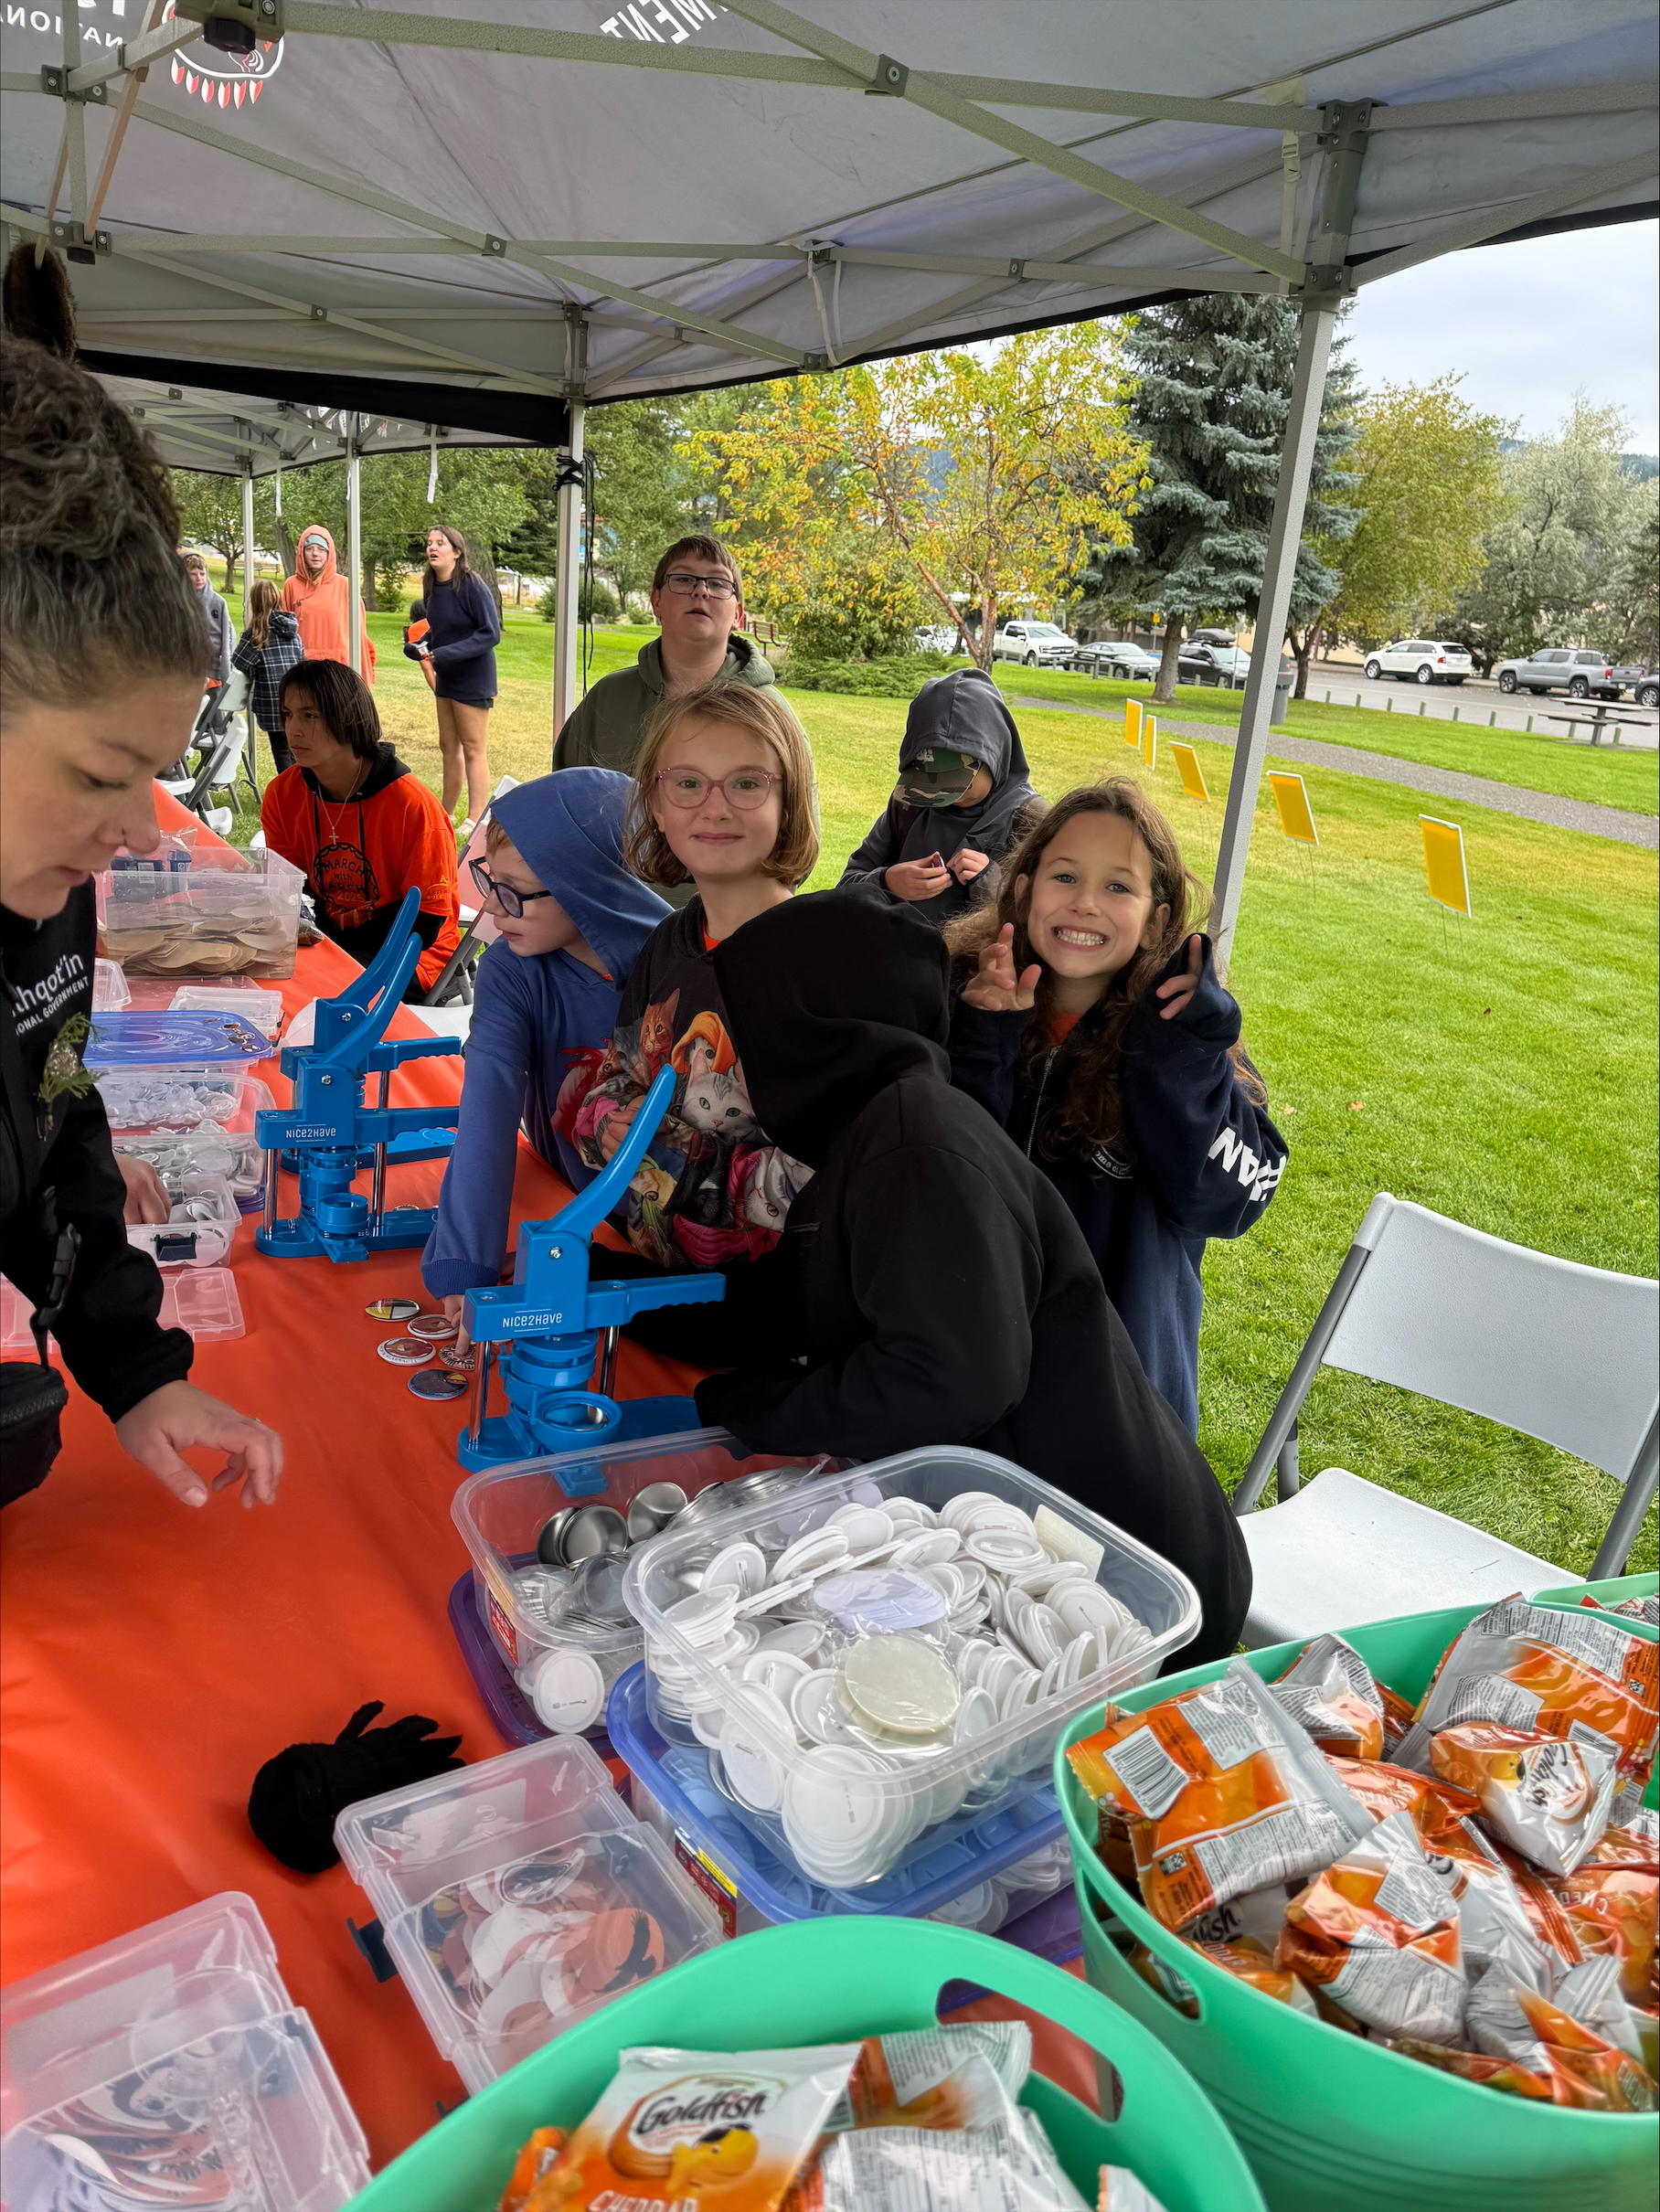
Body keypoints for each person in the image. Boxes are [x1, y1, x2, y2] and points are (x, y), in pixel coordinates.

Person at [691, 890, 1251, 1664]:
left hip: (1129, 1588)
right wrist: (632, 1302)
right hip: (1037, 1555)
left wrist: (757, 1411)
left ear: (812, 1027)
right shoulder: (877, 1130)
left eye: (753, 1027)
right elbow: (793, 1302)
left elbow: (951, 1378)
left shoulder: (914, 1145)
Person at [0, 303, 282, 1511]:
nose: (138, 833)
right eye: (102, 775)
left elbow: (58, 1119)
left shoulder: (38, 885)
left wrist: (134, 1370)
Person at [945, 781, 1287, 1434]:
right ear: (1021, 889)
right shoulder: (957, 1000)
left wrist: (1182, 1062)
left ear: (1158, 922)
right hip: (967, 1371)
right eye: (1065, 876)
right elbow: (944, 1182)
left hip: (1113, 1406)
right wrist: (984, 1042)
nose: (1084, 903)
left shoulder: (1187, 1044)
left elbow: (1229, 1202)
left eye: (1118, 887)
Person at [570, 682, 817, 1275]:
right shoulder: (666, 946)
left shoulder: (819, 963)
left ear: (787, 801)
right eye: (687, 783)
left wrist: (658, 1156)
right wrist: (607, 1130)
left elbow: (820, 1174)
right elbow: (613, 1083)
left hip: (762, 1313)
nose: (715, 806)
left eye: (746, 782)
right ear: (656, 804)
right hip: (647, 1270)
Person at [420, 769, 670, 1340]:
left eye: (514, 894)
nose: (490, 913)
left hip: (664, 1228)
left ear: (586, 887)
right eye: (489, 882)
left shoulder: (679, 962)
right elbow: (487, 1107)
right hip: (567, 1191)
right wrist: (465, 1265)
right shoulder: (513, 966)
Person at [260, 659, 461, 999]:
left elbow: (424, 926)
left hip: (416, 958)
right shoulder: (282, 794)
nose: (292, 730)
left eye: (310, 716)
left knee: (301, 985)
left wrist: (329, 948)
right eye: (288, 714)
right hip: (335, 941)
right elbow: (288, 889)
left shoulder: (411, 806)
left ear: (347, 717)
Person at [552, 536, 793, 778]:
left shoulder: (768, 712)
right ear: (656, 602)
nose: (701, 591)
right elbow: (563, 796)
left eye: (718, 583)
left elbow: (799, 811)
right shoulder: (607, 699)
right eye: (683, 579)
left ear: (737, 615)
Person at [840, 666, 1042, 927]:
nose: (946, 798)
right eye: (932, 783)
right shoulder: (910, 802)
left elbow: (1046, 925)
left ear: (995, 758)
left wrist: (991, 884)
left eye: (958, 783)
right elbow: (845, 886)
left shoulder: (1032, 820)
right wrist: (886, 882)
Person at [404, 523, 502, 844]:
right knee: (449, 747)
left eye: (440, 543)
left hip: (473, 678)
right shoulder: (431, 584)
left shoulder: (472, 585)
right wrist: (420, 645)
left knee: (473, 749)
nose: (433, 548)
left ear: (456, 552)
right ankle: (446, 811)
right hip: (447, 676)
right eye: (430, 543)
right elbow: (438, 628)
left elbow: (491, 633)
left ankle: (475, 818)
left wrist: (444, 654)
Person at [281, 524, 376, 679]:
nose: (315, 554)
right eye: (310, 549)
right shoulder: (291, 585)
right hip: (302, 666)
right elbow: (284, 631)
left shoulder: (346, 586)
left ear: (329, 553)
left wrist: (364, 675)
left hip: (339, 667)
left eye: (321, 549)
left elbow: (359, 636)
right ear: (301, 552)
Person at [231, 577, 303, 776]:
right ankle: (304, 789)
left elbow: (239, 661)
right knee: (296, 749)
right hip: (296, 699)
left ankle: (289, 792)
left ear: (254, 603)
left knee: (281, 749)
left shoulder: (256, 634)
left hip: (271, 702)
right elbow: (302, 659)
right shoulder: (291, 630)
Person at [181, 548, 232, 696]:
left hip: (213, 675)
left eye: (202, 574)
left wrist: (225, 670)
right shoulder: (176, 603)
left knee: (214, 716)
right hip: (185, 675)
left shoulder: (218, 602)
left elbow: (227, 638)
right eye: (193, 574)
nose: (199, 578)